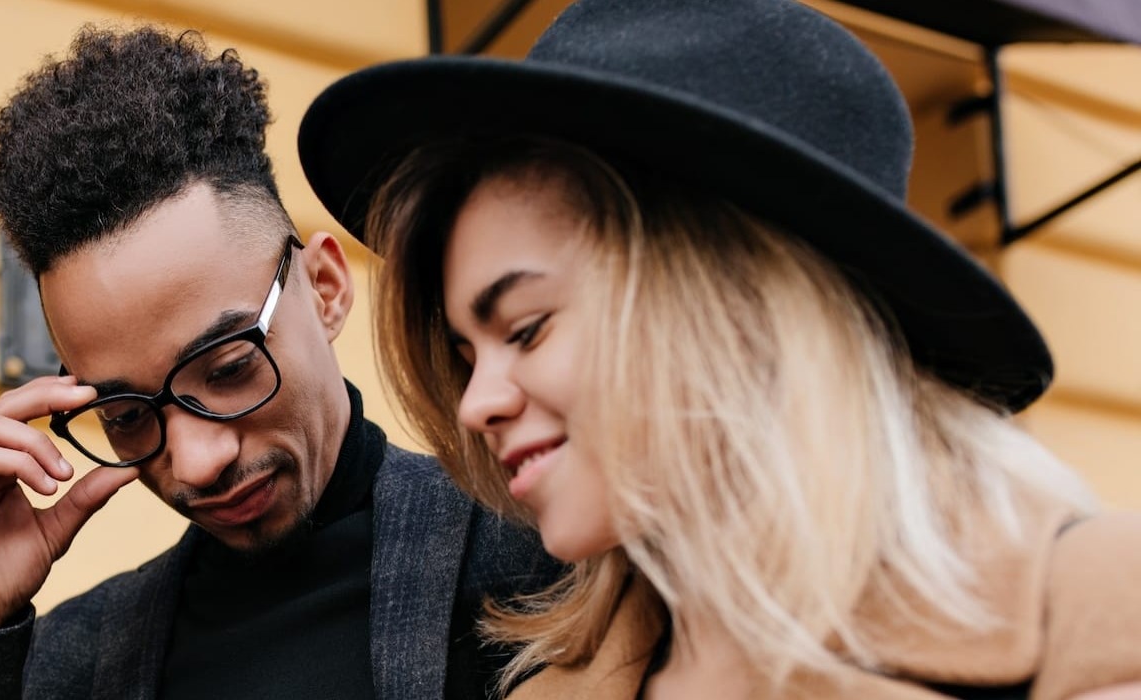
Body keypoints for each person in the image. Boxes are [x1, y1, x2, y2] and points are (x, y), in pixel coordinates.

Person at [297, 0, 1141, 697]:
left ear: (738, 307)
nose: (476, 403)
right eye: (467, 352)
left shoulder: (1100, 623)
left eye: (525, 328)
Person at [0, 26, 559, 700]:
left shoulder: (533, 551)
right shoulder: (67, 662)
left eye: (228, 369)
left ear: (325, 290)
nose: (198, 463)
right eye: (126, 416)